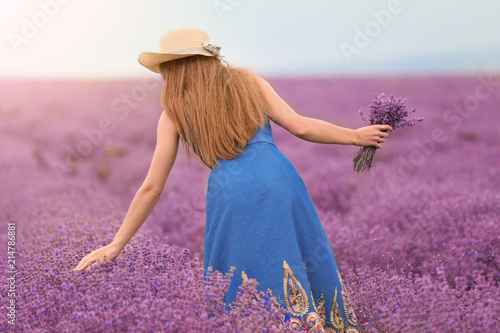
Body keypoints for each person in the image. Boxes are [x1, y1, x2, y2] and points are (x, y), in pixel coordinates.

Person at [73, 27, 392, 332]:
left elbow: (152, 188)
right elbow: (300, 126)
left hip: (231, 190)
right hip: (278, 178)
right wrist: (354, 136)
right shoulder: (247, 81)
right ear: (208, 57)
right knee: (301, 256)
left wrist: (117, 244)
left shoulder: (173, 112)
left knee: (239, 273)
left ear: (170, 69)